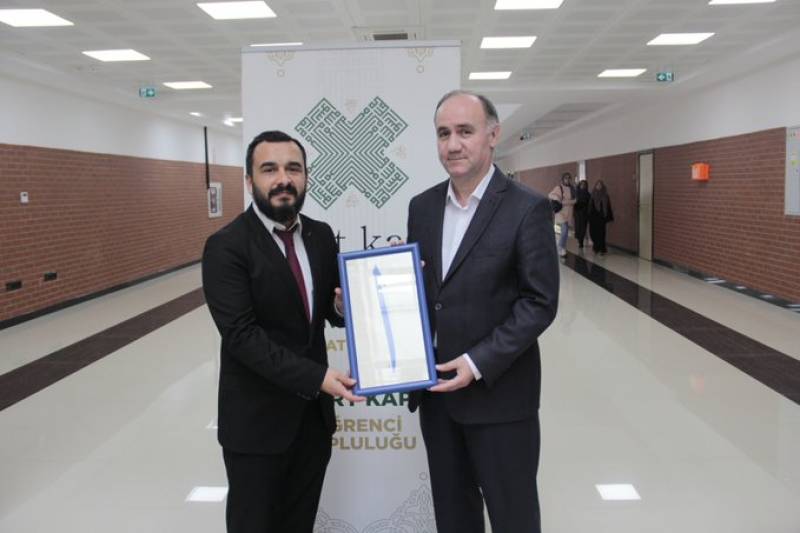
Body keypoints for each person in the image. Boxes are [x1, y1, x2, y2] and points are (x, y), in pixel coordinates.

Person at [406, 90, 559, 533]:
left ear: (493, 135)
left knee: (514, 518)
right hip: (437, 398)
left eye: (465, 132)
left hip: (500, 398)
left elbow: (539, 302)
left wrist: (476, 362)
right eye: (443, 134)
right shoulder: (422, 207)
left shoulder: (527, 208)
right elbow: (427, 292)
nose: (452, 144)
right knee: (453, 517)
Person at [202, 130, 364, 533]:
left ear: (306, 176)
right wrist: (317, 377)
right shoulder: (226, 246)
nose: (283, 179)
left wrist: (341, 307)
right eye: (269, 169)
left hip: (312, 424)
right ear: (249, 180)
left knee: (299, 523)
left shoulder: (320, 235)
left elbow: (327, 308)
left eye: (293, 169)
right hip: (256, 427)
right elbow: (242, 336)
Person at [549, 172, 576, 257]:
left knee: (566, 231)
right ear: (563, 179)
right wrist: (558, 198)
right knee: (565, 230)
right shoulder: (559, 187)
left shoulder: (572, 188)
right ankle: (560, 247)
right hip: (561, 212)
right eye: (565, 178)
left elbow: (575, 200)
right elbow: (550, 195)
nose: (567, 180)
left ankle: (562, 248)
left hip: (569, 212)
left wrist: (565, 202)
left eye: (569, 178)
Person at [588, 179, 614, 255]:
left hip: (601, 217)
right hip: (593, 217)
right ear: (595, 186)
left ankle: (602, 249)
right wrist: (588, 216)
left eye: (600, 185)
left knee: (601, 234)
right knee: (593, 233)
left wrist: (608, 217)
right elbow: (589, 207)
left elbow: (608, 207)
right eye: (597, 185)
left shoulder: (605, 195)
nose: (599, 186)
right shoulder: (592, 195)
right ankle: (596, 247)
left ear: (602, 186)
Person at [573, 179, 591, 250]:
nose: (583, 186)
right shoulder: (576, 193)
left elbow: (590, 204)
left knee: (583, 228)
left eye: (584, 185)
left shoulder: (588, 194)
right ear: (580, 185)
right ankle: (579, 240)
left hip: (584, 213)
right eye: (582, 184)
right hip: (577, 213)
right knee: (578, 227)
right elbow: (573, 202)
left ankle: (581, 241)